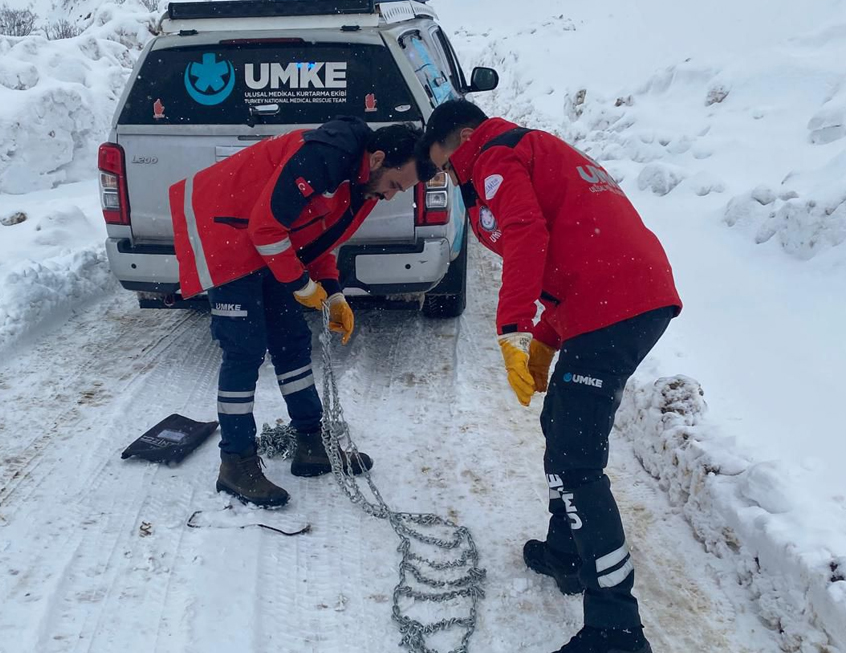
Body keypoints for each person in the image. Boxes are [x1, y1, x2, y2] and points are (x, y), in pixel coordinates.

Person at [417, 100, 682, 653]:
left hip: (617, 305)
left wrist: (513, 325)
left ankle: (616, 628)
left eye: (441, 155)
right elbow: (579, 248)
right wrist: (546, 336)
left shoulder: (492, 156)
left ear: (462, 134)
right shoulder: (533, 150)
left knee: (576, 463)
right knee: (560, 421)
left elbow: (525, 231)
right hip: (623, 295)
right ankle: (565, 550)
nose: (443, 169)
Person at [170, 116, 425, 509]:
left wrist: (333, 292)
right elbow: (267, 228)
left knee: (291, 341)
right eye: (394, 185)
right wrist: (302, 286)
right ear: (376, 159)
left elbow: (321, 239)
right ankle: (235, 462)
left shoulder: (362, 185)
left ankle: (312, 444)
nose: (391, 196)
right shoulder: (325, 157)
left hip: (265, 241)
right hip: (225, 232)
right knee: (244, 350)